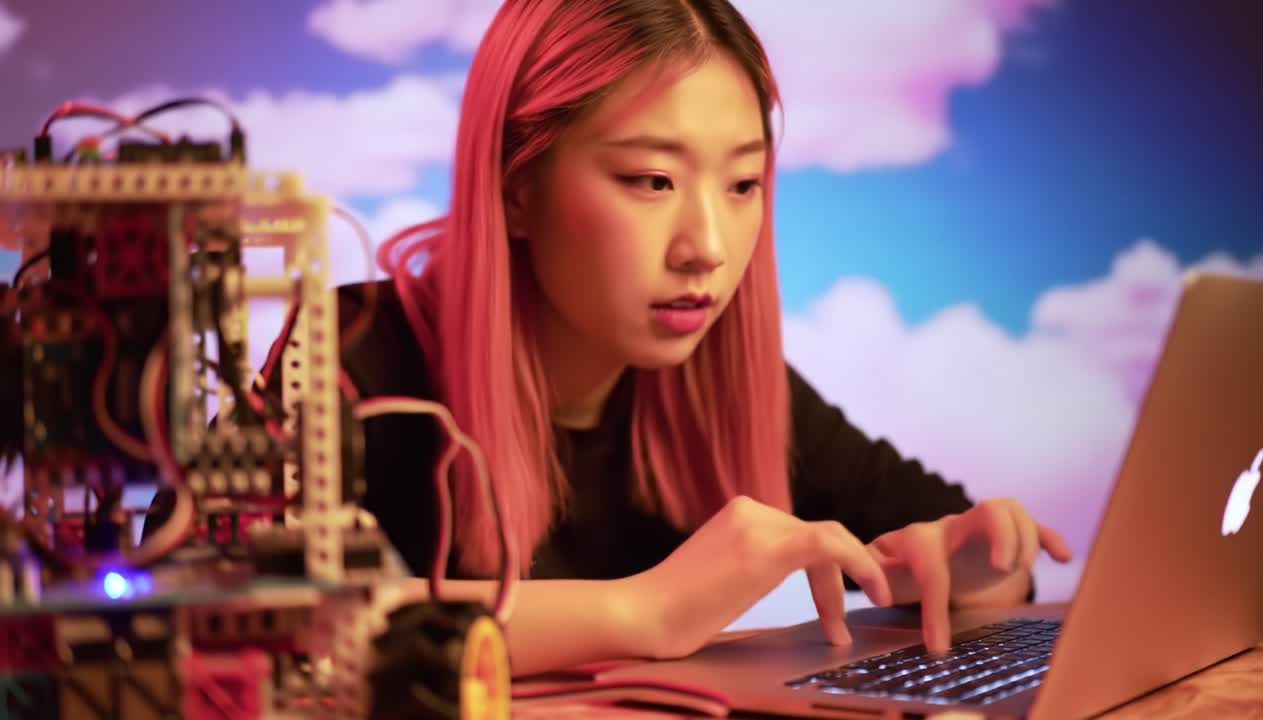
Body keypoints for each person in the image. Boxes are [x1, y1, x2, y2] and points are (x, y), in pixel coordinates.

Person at [153, 0, 1072, 678]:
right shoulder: (356, 354)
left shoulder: (727, 382)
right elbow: (196, 618)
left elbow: (952, 553)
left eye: (743, 185)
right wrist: (645, 610)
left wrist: (980, 565)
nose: (708, 249)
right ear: (517, 187)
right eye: (649, 181)